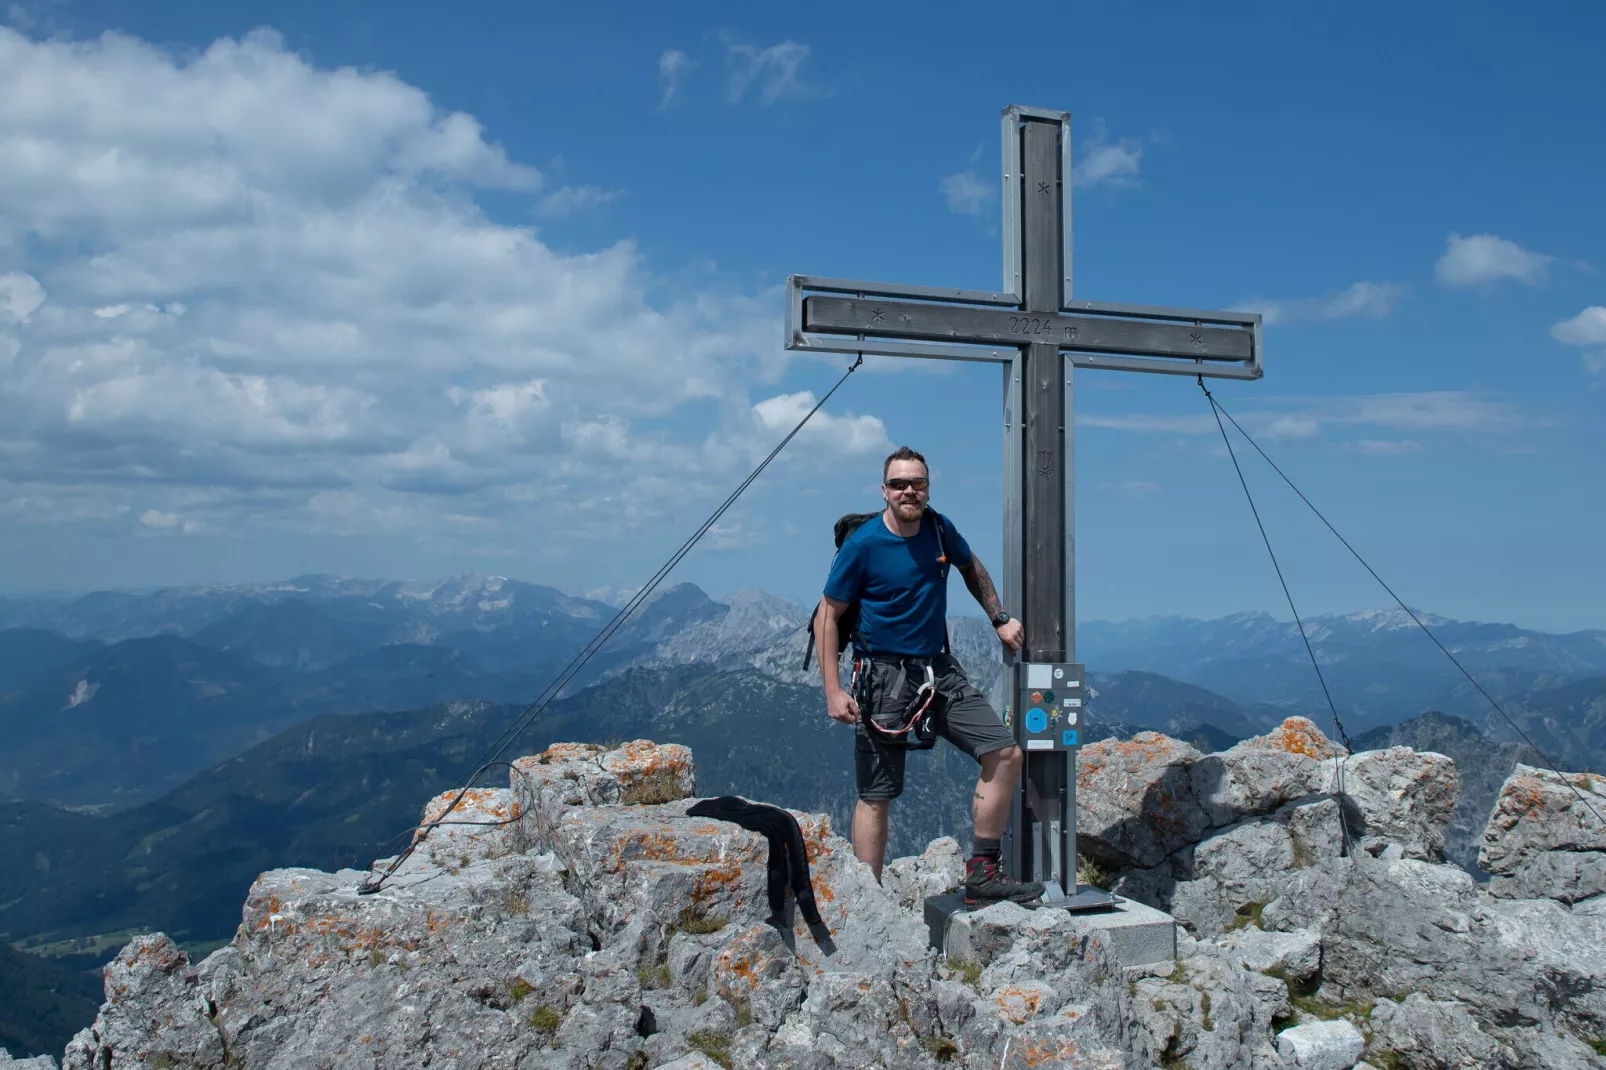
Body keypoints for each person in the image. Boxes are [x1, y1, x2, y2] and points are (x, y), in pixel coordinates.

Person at [813, 445, 1044, 906]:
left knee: (1004, 754)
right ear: (884, 491)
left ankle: (982, 872)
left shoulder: (938, 528)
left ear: (927, 488)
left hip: (939, 670)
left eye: (917, 483)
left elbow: (969, 565)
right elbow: (828, 615)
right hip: (882, 678)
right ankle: (868, 902)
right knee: (877, 794)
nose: (909, 491)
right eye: (899, 484)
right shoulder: (863, 545)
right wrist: (833, 691)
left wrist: (998, 617)